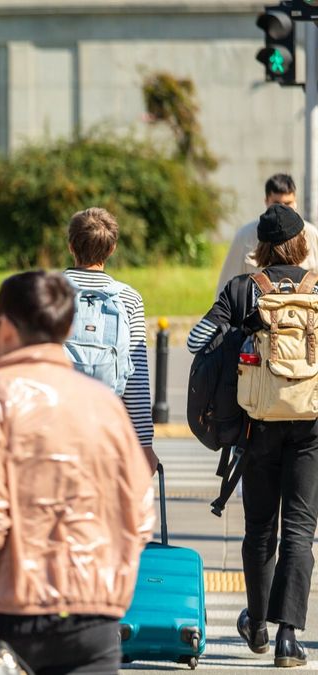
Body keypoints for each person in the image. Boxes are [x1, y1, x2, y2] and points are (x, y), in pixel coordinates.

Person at [0, 270, 155, 674]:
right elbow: (140, 512)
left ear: (7, 327)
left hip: (10, 612)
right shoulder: (105, 403)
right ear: (65, 327)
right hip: (96, 618)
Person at [188, 204, 318, 667]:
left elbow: (195, 340)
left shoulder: (244, 289)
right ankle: (288, 638)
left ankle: (258, 626)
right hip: (311, 427)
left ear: (259, 246)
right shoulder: (317, 288)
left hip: (255, 425)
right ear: (302, 244)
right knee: (299, 530)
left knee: (260, 527)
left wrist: (243, 339)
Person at [63, 207, 156, 469]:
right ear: (112, 249)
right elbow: (136, 376)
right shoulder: (128, 298)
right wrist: (145, 444)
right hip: (106, 424)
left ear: (71, 246)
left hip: (58, 421)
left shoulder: (50, 290)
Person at [216, 174, 318, 294]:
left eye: (288, 203)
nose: (282, 209)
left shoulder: (311, 234)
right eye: (277, 203)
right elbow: (226, 287)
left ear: (295, 202)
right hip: (257, 308)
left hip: (303, 309)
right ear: (266, 201)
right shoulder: (245, 236)